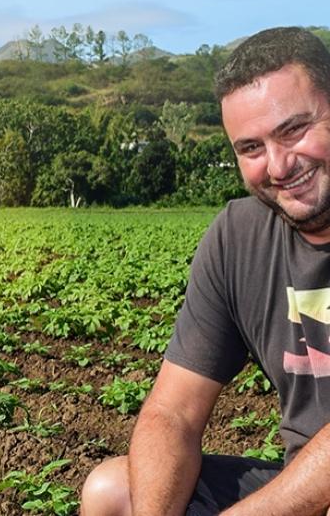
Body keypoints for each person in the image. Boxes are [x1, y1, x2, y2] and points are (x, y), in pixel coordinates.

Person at [80, 26, 330, 516]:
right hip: (304, 478)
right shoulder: (239, 237)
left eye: (293, 130)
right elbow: (172, 414)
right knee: (113, 491)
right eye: (251, 148)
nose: (278, 166)